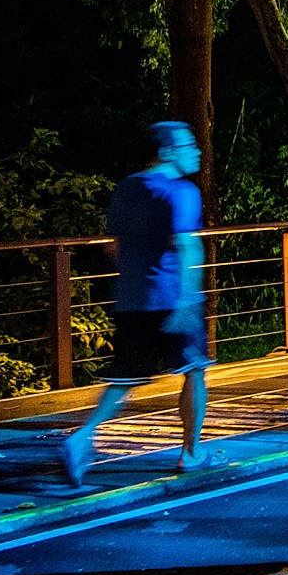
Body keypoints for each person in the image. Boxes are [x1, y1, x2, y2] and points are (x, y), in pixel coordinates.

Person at [61, 121, 219, 486]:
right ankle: (191, 453)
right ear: (166, 152)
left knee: (124, 377)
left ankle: (82, 436)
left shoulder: (126, 188)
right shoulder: (182, 191)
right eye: (188, 145)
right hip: (172, 296)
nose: (196, 151)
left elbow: (114, 247)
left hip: (131, 298)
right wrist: (186, 300)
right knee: (195, 370)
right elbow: (187, 245)